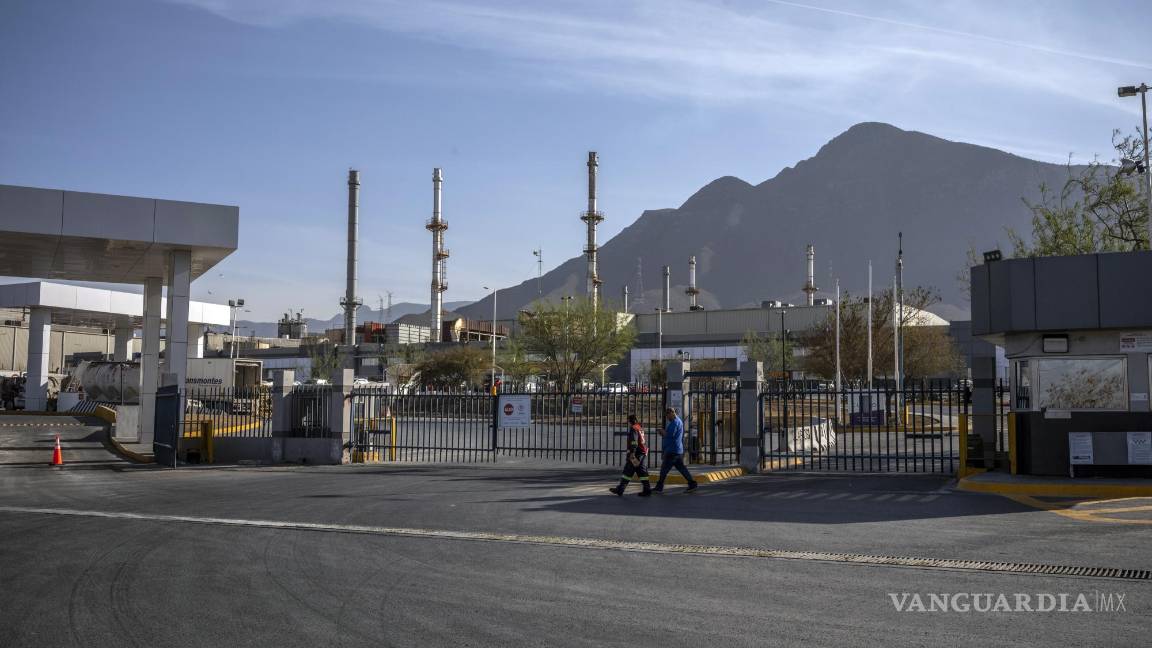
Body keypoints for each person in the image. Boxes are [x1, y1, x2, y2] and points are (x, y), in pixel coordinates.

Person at [654, 407, 697, 493]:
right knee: (682, 468)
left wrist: (662, 432)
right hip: (677, 450)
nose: (667, 418)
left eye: (667, 416)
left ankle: (659, 487)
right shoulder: (678, 421)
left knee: (664, 469)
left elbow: (670, 435)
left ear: (671, 413)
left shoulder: (675, 423)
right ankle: (692, 484)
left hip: (672, 450)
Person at [610, 414, 652, 496]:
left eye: (628, 421)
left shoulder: (633, 428)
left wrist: (632, 452)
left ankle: (620, 489)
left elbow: (634, 442)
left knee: (628, 471)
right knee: (642, 473)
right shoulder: (639, 427)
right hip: (642, 454)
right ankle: (647, 490)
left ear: (630, 421)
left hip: (636, 454)